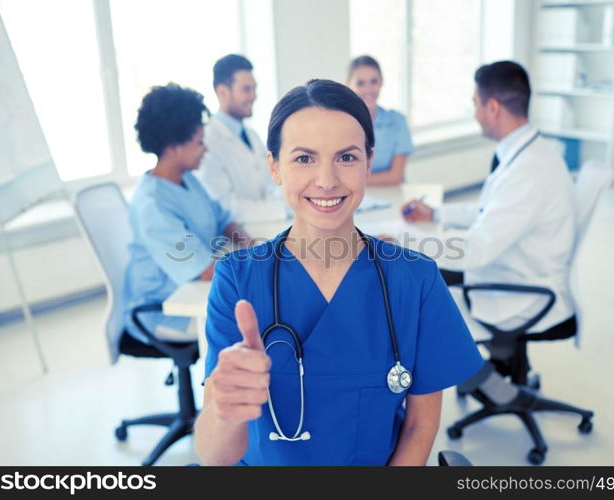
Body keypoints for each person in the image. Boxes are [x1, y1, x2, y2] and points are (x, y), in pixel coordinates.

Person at [194, 79, 483, 466]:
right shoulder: (238, 280)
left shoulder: (416, 280)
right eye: (304, 158)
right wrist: (225, 410)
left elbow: (420, 426)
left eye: (346, 157)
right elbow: (215, 457)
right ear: (274, 167)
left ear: (368, 161)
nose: (327, 180)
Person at [402, 61, 577, 333]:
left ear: (493, 107)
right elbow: (489, 211)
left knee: (413, 303)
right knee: (426, 274)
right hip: (508, 267)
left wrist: (406, 244)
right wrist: (437, 214)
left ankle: (485, 378)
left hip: (520, 292)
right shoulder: (531, 153)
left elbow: (475, 250)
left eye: (475, 104)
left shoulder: (528, 173)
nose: (475, 114)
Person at [124, 83, 251, 344]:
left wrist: (248, 244)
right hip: (168, 310)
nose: (205, 149)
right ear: (172, 148)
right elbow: (204, 270)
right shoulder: (153, 205)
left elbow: (222, 218)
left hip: (198, 292)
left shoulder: (186, 179)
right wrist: (261, 268)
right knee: (259, 322)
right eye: (199, 142)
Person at [196, 54, 283, 221]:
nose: (254, 96)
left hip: (268, 228)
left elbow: (273, 181)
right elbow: (224, 206)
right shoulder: (207, 141)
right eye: (246, 89)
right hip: (236, 240)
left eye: (254, 88)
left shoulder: (253, 136)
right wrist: (280, 209)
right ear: (222, 92)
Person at [347, 55, 413, 186]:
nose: (368, 89)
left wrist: (354, 182)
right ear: (348, 85)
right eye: (361, 83)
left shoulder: (397, 121)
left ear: (381, 82)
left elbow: (395, 176)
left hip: (391, 194)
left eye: (374, 81)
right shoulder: (341, 124)